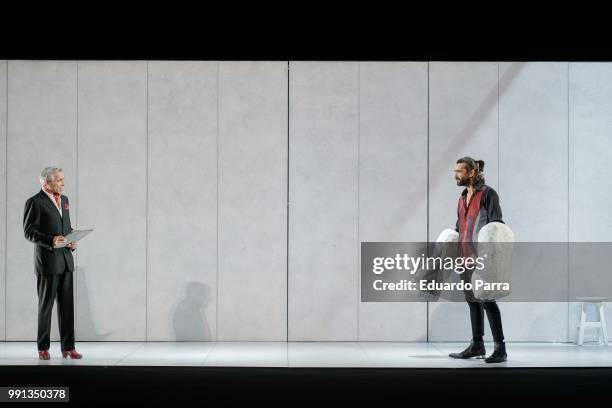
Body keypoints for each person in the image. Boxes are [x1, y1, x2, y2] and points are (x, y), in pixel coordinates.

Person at [448, 157, 507, 363]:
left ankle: (500, 348)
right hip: (465, 258)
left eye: (460, 171)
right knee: (473, 302)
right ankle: (477, 345)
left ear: (472, 172)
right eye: (455, 171)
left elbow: (496, 225)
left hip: (482, 258)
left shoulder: (487, 194)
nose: (456, 175)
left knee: (488, 301)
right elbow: (460, 228)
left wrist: (490, 257)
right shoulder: (462, 197)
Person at [23, 167, 82, 360]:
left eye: (63, 179)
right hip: (47, 262)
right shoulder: (35, 202)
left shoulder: (64, 200)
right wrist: (50, 240)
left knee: (67, 307)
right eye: (59, 180)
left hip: (66, 260)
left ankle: (68, 347)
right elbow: (29, 231)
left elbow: (65, 227)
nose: (63, 183)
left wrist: (72, 239)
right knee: (46, 306)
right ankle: (43, 347)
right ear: (46, 183)